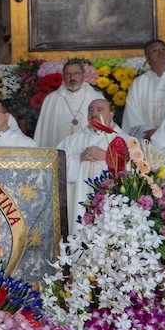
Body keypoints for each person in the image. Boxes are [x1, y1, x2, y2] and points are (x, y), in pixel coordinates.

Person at [58, 99, 123, 232]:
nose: (94, 113)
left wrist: (107, 156)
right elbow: (57, 166)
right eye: (90, 110)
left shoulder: (124, 139)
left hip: (110, 203)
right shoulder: (72, 140)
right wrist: (78, 159)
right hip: (79, 198)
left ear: (111, 114)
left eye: (99, 110)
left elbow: (134, 170)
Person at [33, 60, 104, 148]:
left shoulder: (97, 98)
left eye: (76, 73)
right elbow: (43, 131)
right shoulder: (52, 99)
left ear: (83, 75)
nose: (72, 77)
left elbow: (105, 129)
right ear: (63, 76)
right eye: (68, 74)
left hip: (88, 153)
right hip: (58, 151)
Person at [122, 40, 165, 140]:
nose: (160, 52)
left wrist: (162, 133)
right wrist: (146, 132)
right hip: (147, 140)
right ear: (147, 58)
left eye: (163, 49)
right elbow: (132, 115)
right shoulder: (139, 83)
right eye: (154, 50)